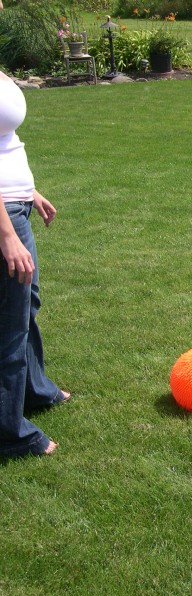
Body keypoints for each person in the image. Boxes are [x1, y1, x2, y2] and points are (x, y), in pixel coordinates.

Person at [1, 71, 70, 459]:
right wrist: (6, 235)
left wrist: (30, 191)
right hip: (4, 218)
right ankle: (9, 433)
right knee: (9, 324)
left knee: (27, 306)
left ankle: (34, 390)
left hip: (16, 204)